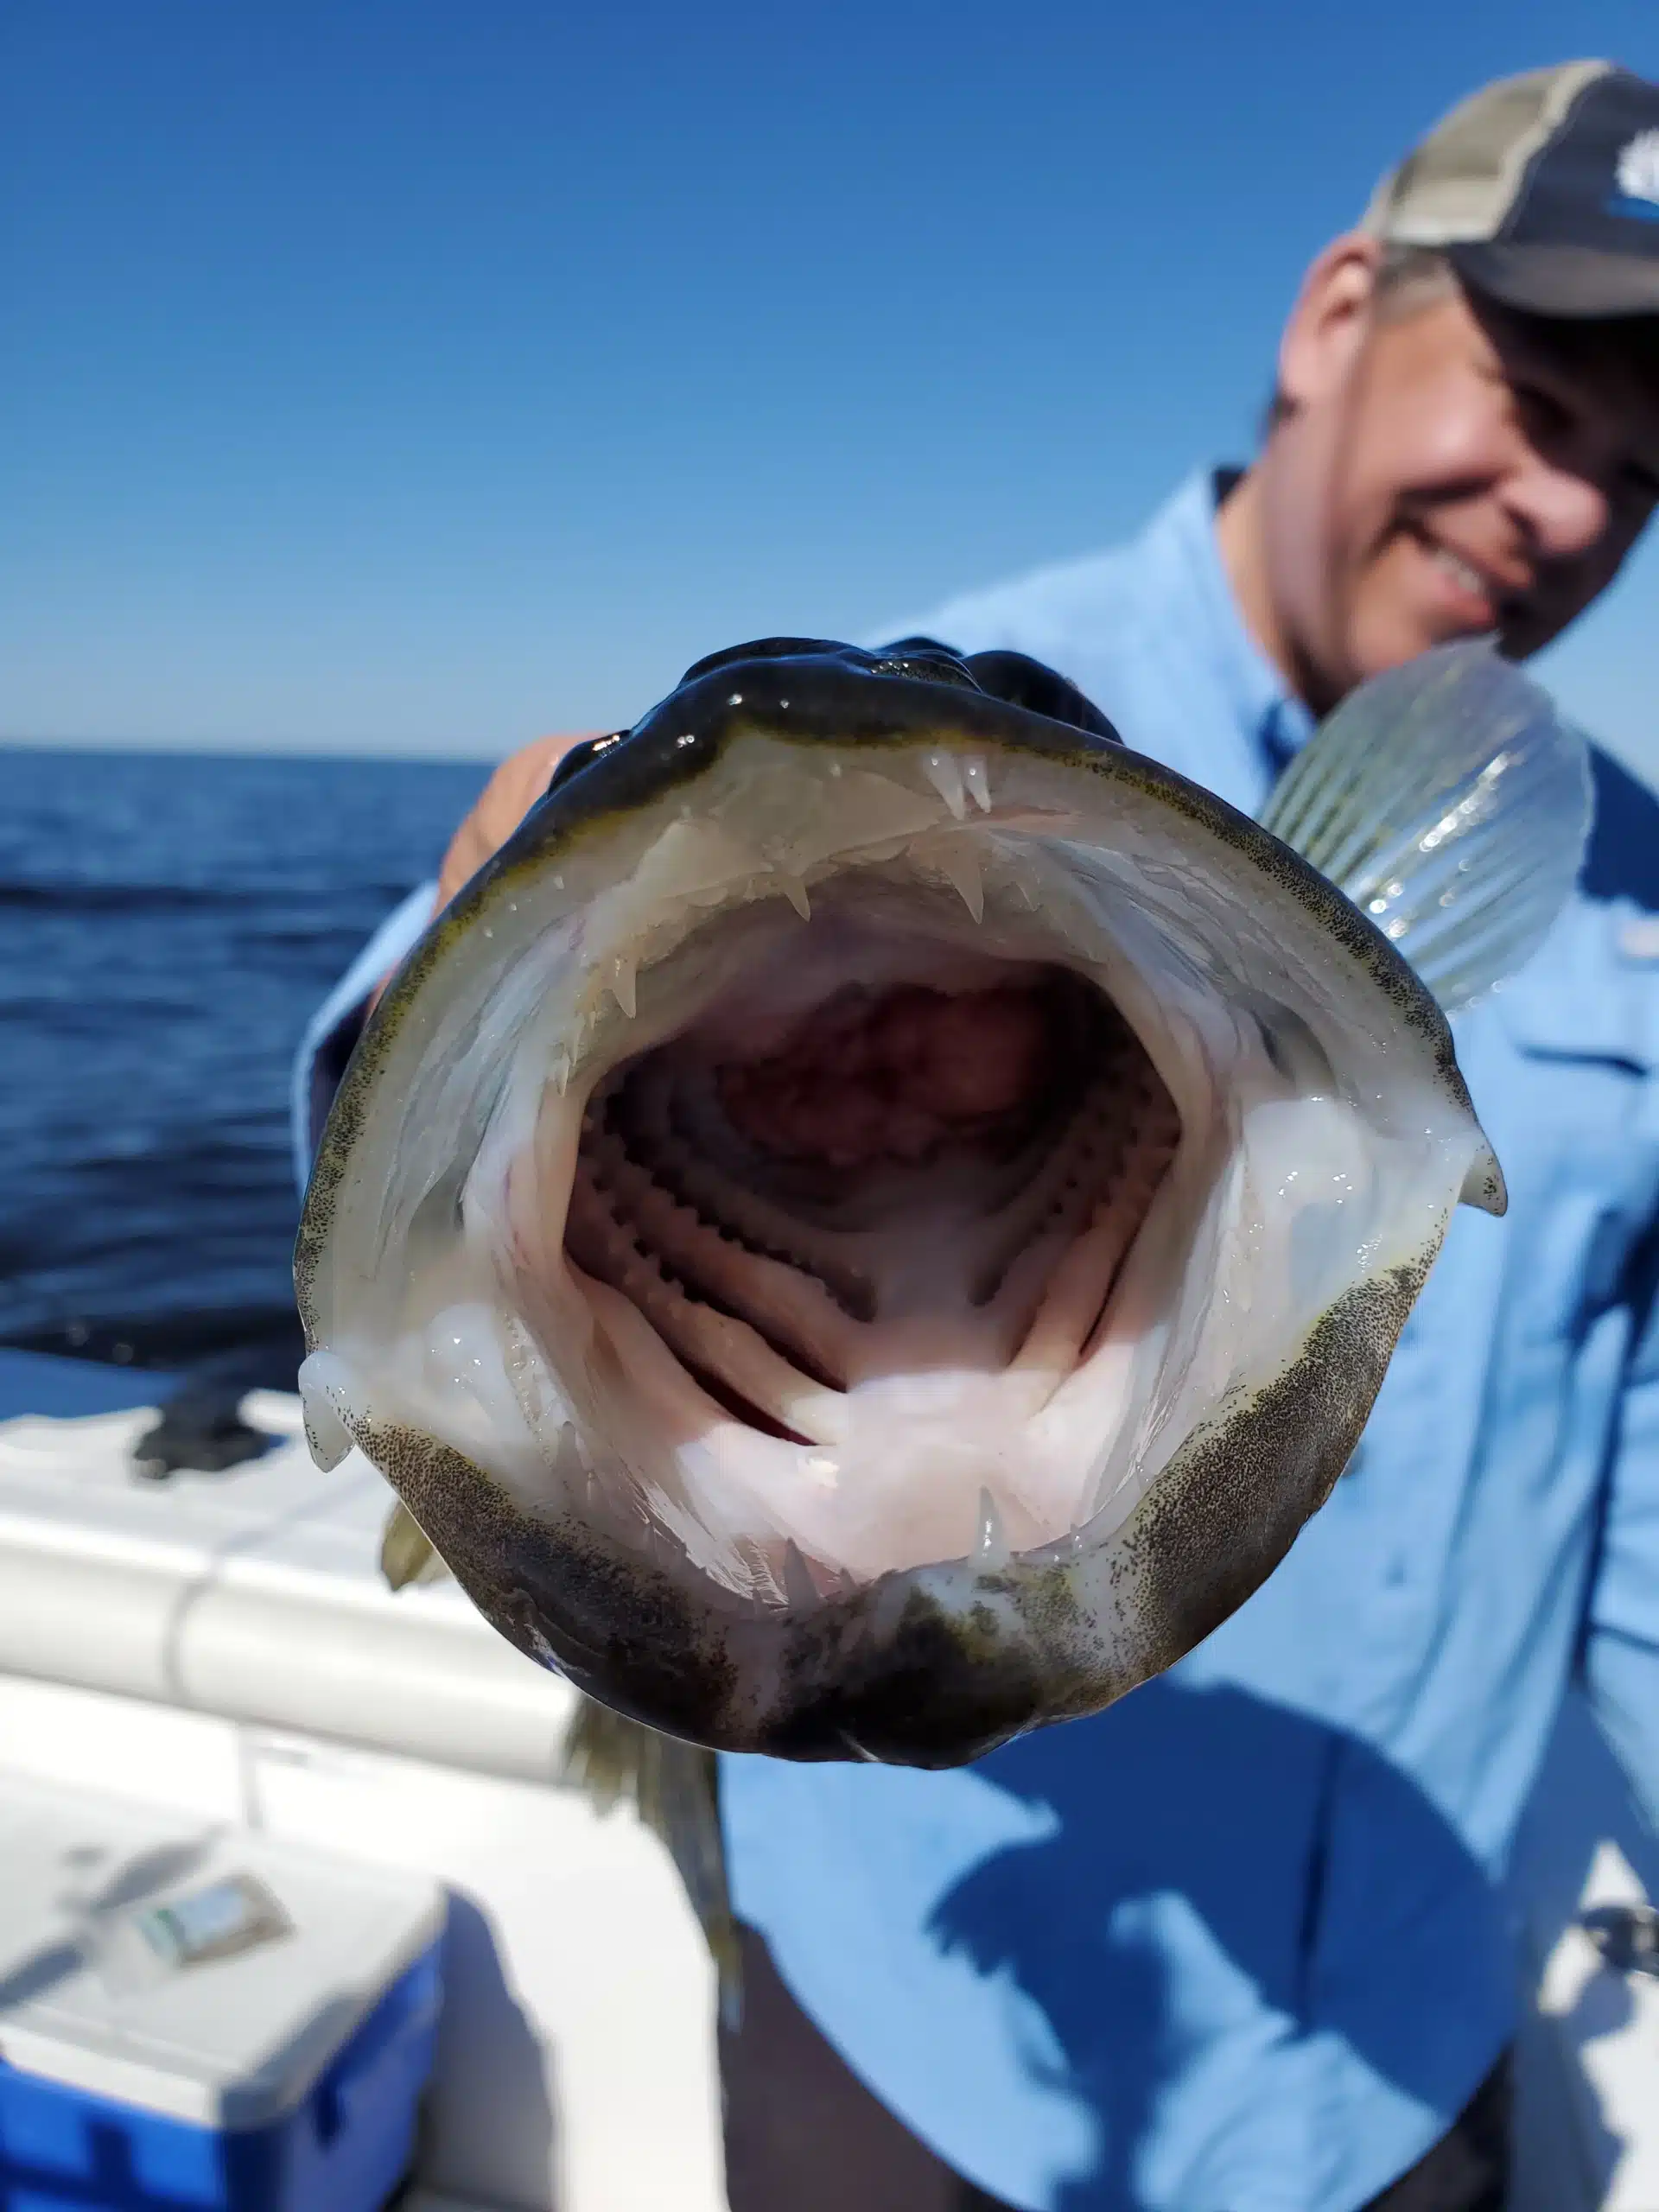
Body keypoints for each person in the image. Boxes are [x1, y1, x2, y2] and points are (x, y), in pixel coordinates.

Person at [294, 61, 1659, 2212]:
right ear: (1334, 319)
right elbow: (391, 1069)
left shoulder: (1644, 889)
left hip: (1413, 2038)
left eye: (1636, 466)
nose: (1566, 503)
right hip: (915, 2060)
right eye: (1531, 389)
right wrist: (457, 987)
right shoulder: (996, 680)